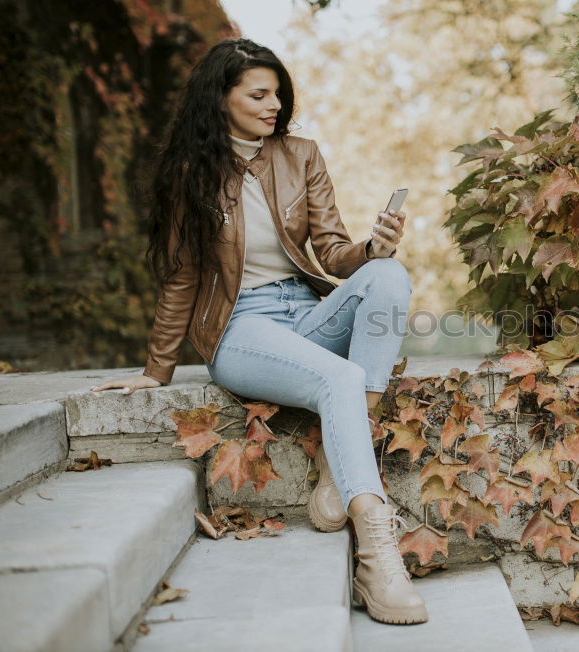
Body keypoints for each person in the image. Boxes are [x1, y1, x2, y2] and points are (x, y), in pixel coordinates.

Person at [90, 38, 427, 625]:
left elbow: (329, 251)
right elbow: (180, 277)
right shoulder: (190, 174)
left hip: (305, 312)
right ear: (221, 99)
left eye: (278, 93)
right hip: (241, 327)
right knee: (342, 376)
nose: (275, 105)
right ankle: (376, 552)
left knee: (389, 277)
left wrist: (372, 249)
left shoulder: (301, 155)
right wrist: (155, 370)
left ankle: (335, 467)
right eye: (259, 94)